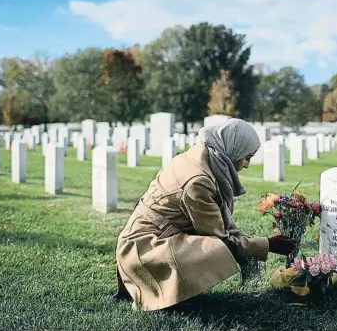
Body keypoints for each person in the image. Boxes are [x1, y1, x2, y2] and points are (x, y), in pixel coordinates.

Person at [114, 118, 296, 311]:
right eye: (247, 157)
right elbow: (218, 237)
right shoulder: (198, 180)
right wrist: (267, 244)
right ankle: (161, 294)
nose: (248, 164)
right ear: (233, 149)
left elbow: (219, 223)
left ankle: (176, 290)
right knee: (216, 248)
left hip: (154, 237)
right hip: (144, 248)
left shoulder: (203, 156)